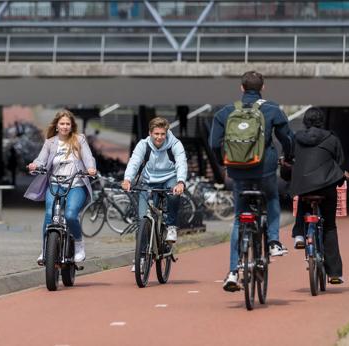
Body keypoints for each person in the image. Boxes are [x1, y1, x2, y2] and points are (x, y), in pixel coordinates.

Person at [209, 71, 294, 292]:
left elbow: (213, 143)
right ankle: (274, 241)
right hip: (264, 170)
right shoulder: (273, 109)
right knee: (273, 197)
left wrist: (225, 163)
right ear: (262, 88)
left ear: (241, 88)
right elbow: (288, 139)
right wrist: (288, 159)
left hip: (237, 172)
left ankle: (233, 271)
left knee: (239, 218)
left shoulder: (226, 111)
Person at [25, 110, 97, 265]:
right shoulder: (50, 142)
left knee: (71, 215)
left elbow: (88, 157)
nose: (65, 126)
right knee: (49, 214)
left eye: (67, 124)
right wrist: (35, 165)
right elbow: (41, 159)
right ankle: (45, 250)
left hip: (76, 184)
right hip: (56, 184)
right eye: (62, 123)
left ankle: (78, 245)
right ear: (57, 126)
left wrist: (91, 168)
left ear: (72, 126)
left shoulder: (79, 139)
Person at [289, 107, 346, 284]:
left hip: (304, 187)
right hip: (327, 186)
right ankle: (335, 273)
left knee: (303, 202)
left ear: (305, 121)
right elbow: (340, 162)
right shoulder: (332, 139)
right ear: (322, 121)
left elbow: (289, 161)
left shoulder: (296, 138)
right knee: (329, 226)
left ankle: (299, 235)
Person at [122, 117, 188, 270]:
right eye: (156, 134)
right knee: (141, 219)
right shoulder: (143, 145)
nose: (159, 137)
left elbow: (181, 162)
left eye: (162, 134)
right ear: (150, 133)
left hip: (170, 177)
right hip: (149, 179)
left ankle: (171, 226)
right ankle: (142, 257)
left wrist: (180, 182)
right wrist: (127, 179)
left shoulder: (175, 144)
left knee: (173, 194)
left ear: (167, 133)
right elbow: (134, 161)